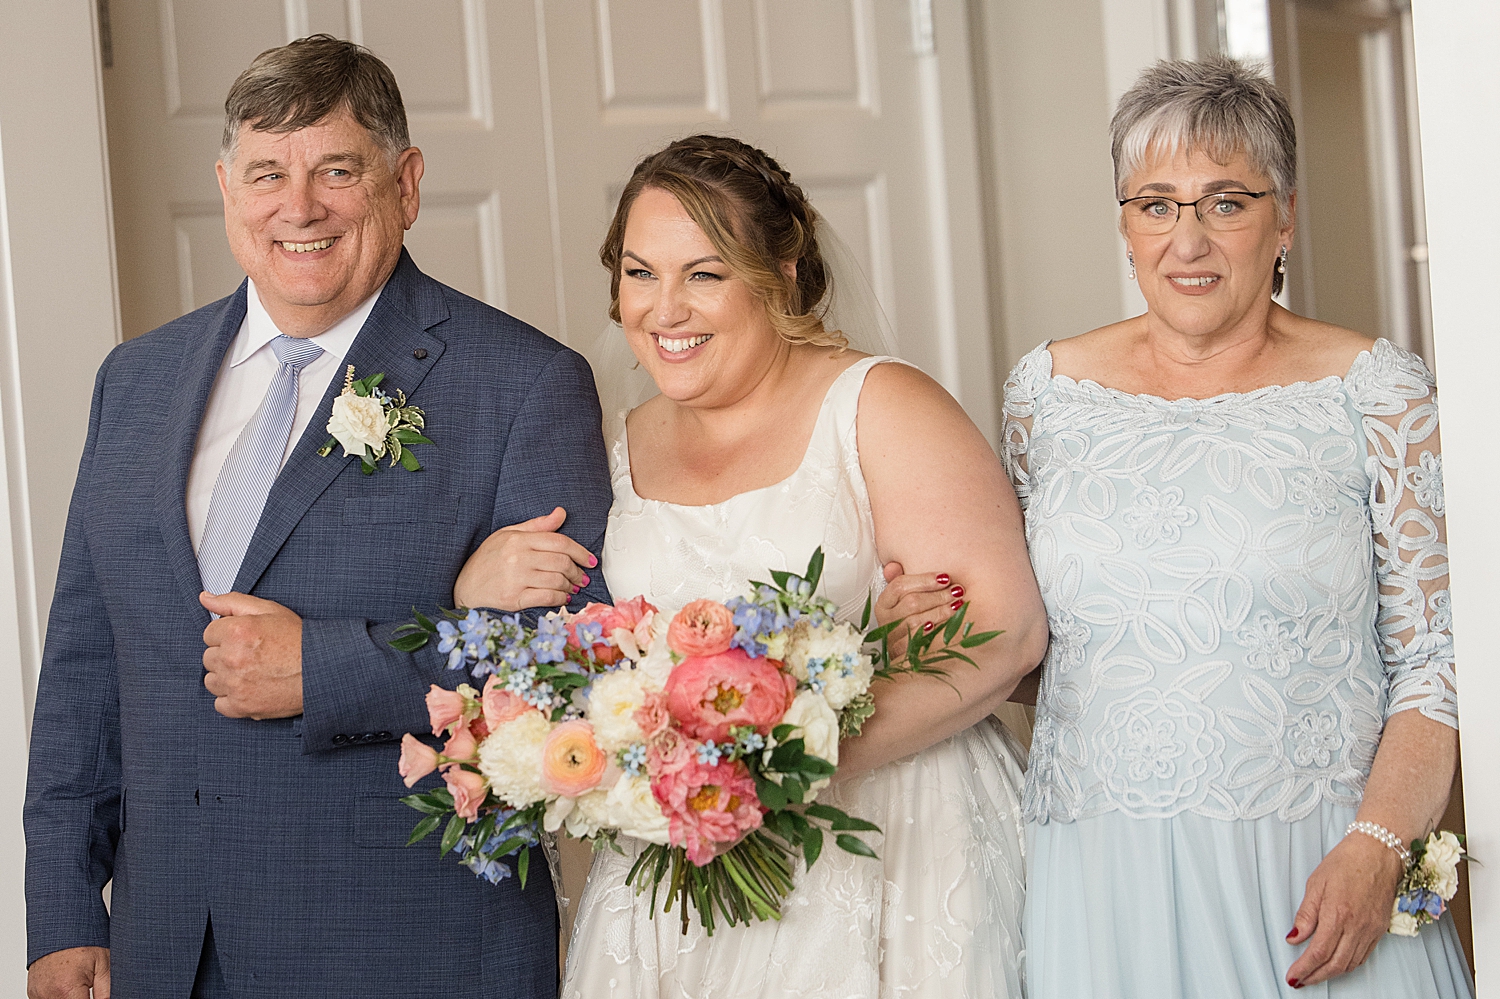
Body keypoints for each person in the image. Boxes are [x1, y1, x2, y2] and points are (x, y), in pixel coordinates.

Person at [23, 35, 609, 999]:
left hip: (408, 946)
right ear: (226, 188)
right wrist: (62, 907)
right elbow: (88, 663)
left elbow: (577, 664)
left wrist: (329, 668)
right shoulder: (134, 381)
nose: (299, 207)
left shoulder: (524, 383)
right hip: (164, 947)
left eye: (338, 170)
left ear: (406, 183)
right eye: (267, 173)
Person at [458, 134, 1048, 998]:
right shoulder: (610, 447)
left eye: (704, 273)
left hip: (894, 837)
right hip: (680, 861)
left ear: (783, 269)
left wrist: (776, 774)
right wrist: (479, 585)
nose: (665, 309)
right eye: (639, 272)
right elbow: (583, 649)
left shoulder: (880, 405)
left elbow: (1006, 630)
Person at [1003, 57, 1472, 997]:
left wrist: (1379, 845)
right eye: (1156, 205)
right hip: (1102, 876)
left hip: (1318, 865)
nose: (1188, 240)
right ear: (1125, 223)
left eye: (1226, 202)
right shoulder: (1046, 395)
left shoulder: (1377, 391)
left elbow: (1438, 658)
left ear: (1284, 216)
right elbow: (1029, 644)